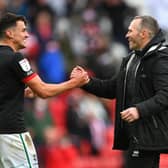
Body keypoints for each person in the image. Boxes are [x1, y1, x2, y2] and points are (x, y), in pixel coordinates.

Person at [71, 15, 168, 168]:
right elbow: (112, 88)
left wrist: (139, 110)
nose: (126, 35)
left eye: (130, 31)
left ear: (143, 34)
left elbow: (165, 95)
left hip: (147, 139)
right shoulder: (131, 59)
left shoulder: (161, 59)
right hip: (132, 137)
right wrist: (86, 81)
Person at [0, 12, 88, 168]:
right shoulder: (16, 58)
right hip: (12, 134)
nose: (27, 35)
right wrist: (74, 83)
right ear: (9, 33)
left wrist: (19, 91)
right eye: (23, 30)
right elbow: (43, 91)